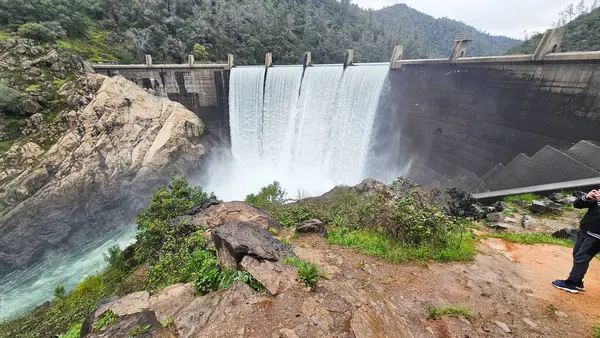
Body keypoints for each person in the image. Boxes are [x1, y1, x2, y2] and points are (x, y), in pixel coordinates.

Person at [553, 189, 600, 294]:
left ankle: (571, 283)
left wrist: (599, 201)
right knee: (577, 255)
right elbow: (577, 205)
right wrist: (587, 197)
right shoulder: (596, 200)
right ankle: (578, 281)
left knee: (581, 258)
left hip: (596, 238)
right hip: (584, 231)